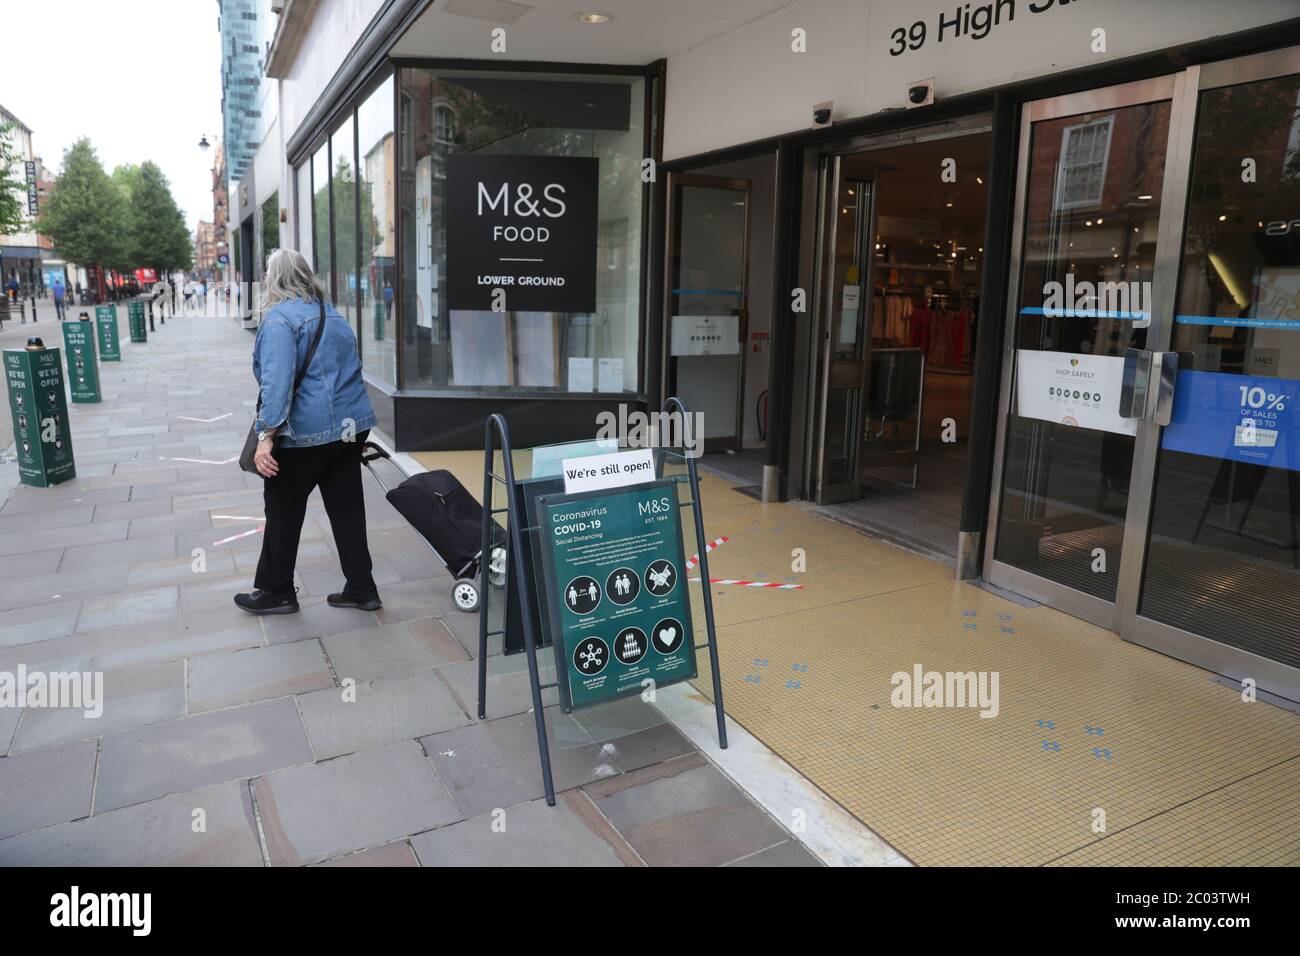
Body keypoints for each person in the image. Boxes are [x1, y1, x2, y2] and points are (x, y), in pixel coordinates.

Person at [234, 248, 381, 616]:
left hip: (305, 435)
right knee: (347, 509)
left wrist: (265, 436)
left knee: (283, 507)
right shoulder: (332, 315)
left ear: (274, 279)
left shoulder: (280, 321)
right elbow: (351, 371)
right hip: (349, 431)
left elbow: (277, 384)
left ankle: (276, 590)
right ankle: (362, 588)